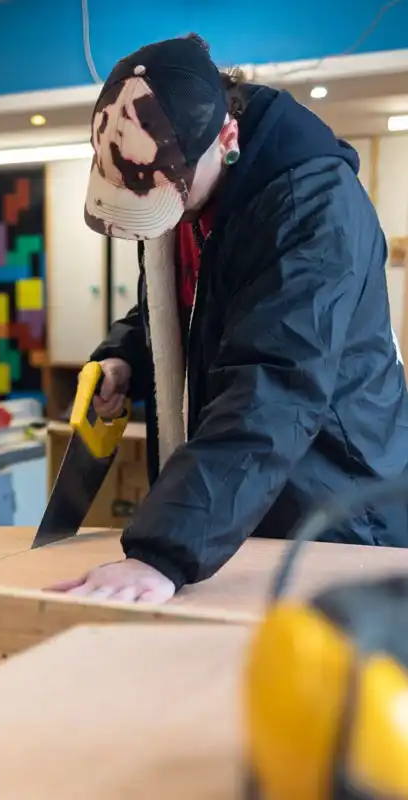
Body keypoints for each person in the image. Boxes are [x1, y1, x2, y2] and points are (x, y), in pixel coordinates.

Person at [48, 33, 408, 604]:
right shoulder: (185, 185)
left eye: (168, 196)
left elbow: (276, 381)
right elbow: (180, 308)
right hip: (244, 503)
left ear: (228, 137)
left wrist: (162, 552)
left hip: (339, 506)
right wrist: (124, 355)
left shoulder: (309, 209)